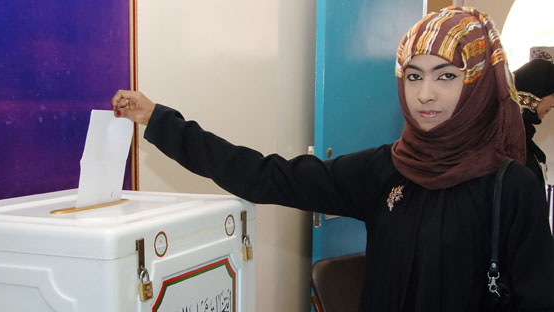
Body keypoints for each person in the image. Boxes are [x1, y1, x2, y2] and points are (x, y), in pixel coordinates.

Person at [112, 6, 554, 312]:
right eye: (414, 75)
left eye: (446, 76)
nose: (425, 94)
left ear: (477, 83)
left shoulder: (511, 186)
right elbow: (269, 177)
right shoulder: (388, 169)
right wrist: (159, 121)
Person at [514, 58, 554, 190]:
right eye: (552, 96)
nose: (553, 105)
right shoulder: (510, 139)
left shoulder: (522, 135)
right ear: (537, 93)